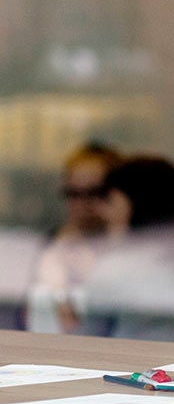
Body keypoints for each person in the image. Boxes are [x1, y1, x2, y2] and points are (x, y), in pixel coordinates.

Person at [78, 155, 174, 345]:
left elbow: (87, 344)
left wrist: (69, 325)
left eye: (110, 201)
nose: (101, 211)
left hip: (134, 371)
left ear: (131, 205)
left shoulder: (119, 267)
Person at [25, 142, 123, 334]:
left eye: (93, 193)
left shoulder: (127, 248)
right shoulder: (53, 244)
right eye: (73, 193)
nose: (81, 204)